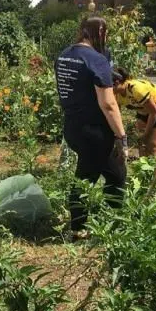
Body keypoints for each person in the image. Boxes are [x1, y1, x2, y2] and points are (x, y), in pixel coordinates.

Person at [55, 17, 128, 237]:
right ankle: (78, 229)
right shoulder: (96, 59)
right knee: (85, 179)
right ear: (101, 33)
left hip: (72, 127)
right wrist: (121, 136)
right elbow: (108, 104)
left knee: (115, 174)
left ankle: (115, 222)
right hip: (94, 131)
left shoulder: (64, 55)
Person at [112, 68, 156, 157]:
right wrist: (119, 136)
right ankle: (142, 168)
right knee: (141, 143)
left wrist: (146, 135)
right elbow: (116, 115)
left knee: (153, 145)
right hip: (143, 109)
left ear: (116, 82)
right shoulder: (115, 94)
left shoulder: (136, 89)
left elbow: (154, 112)